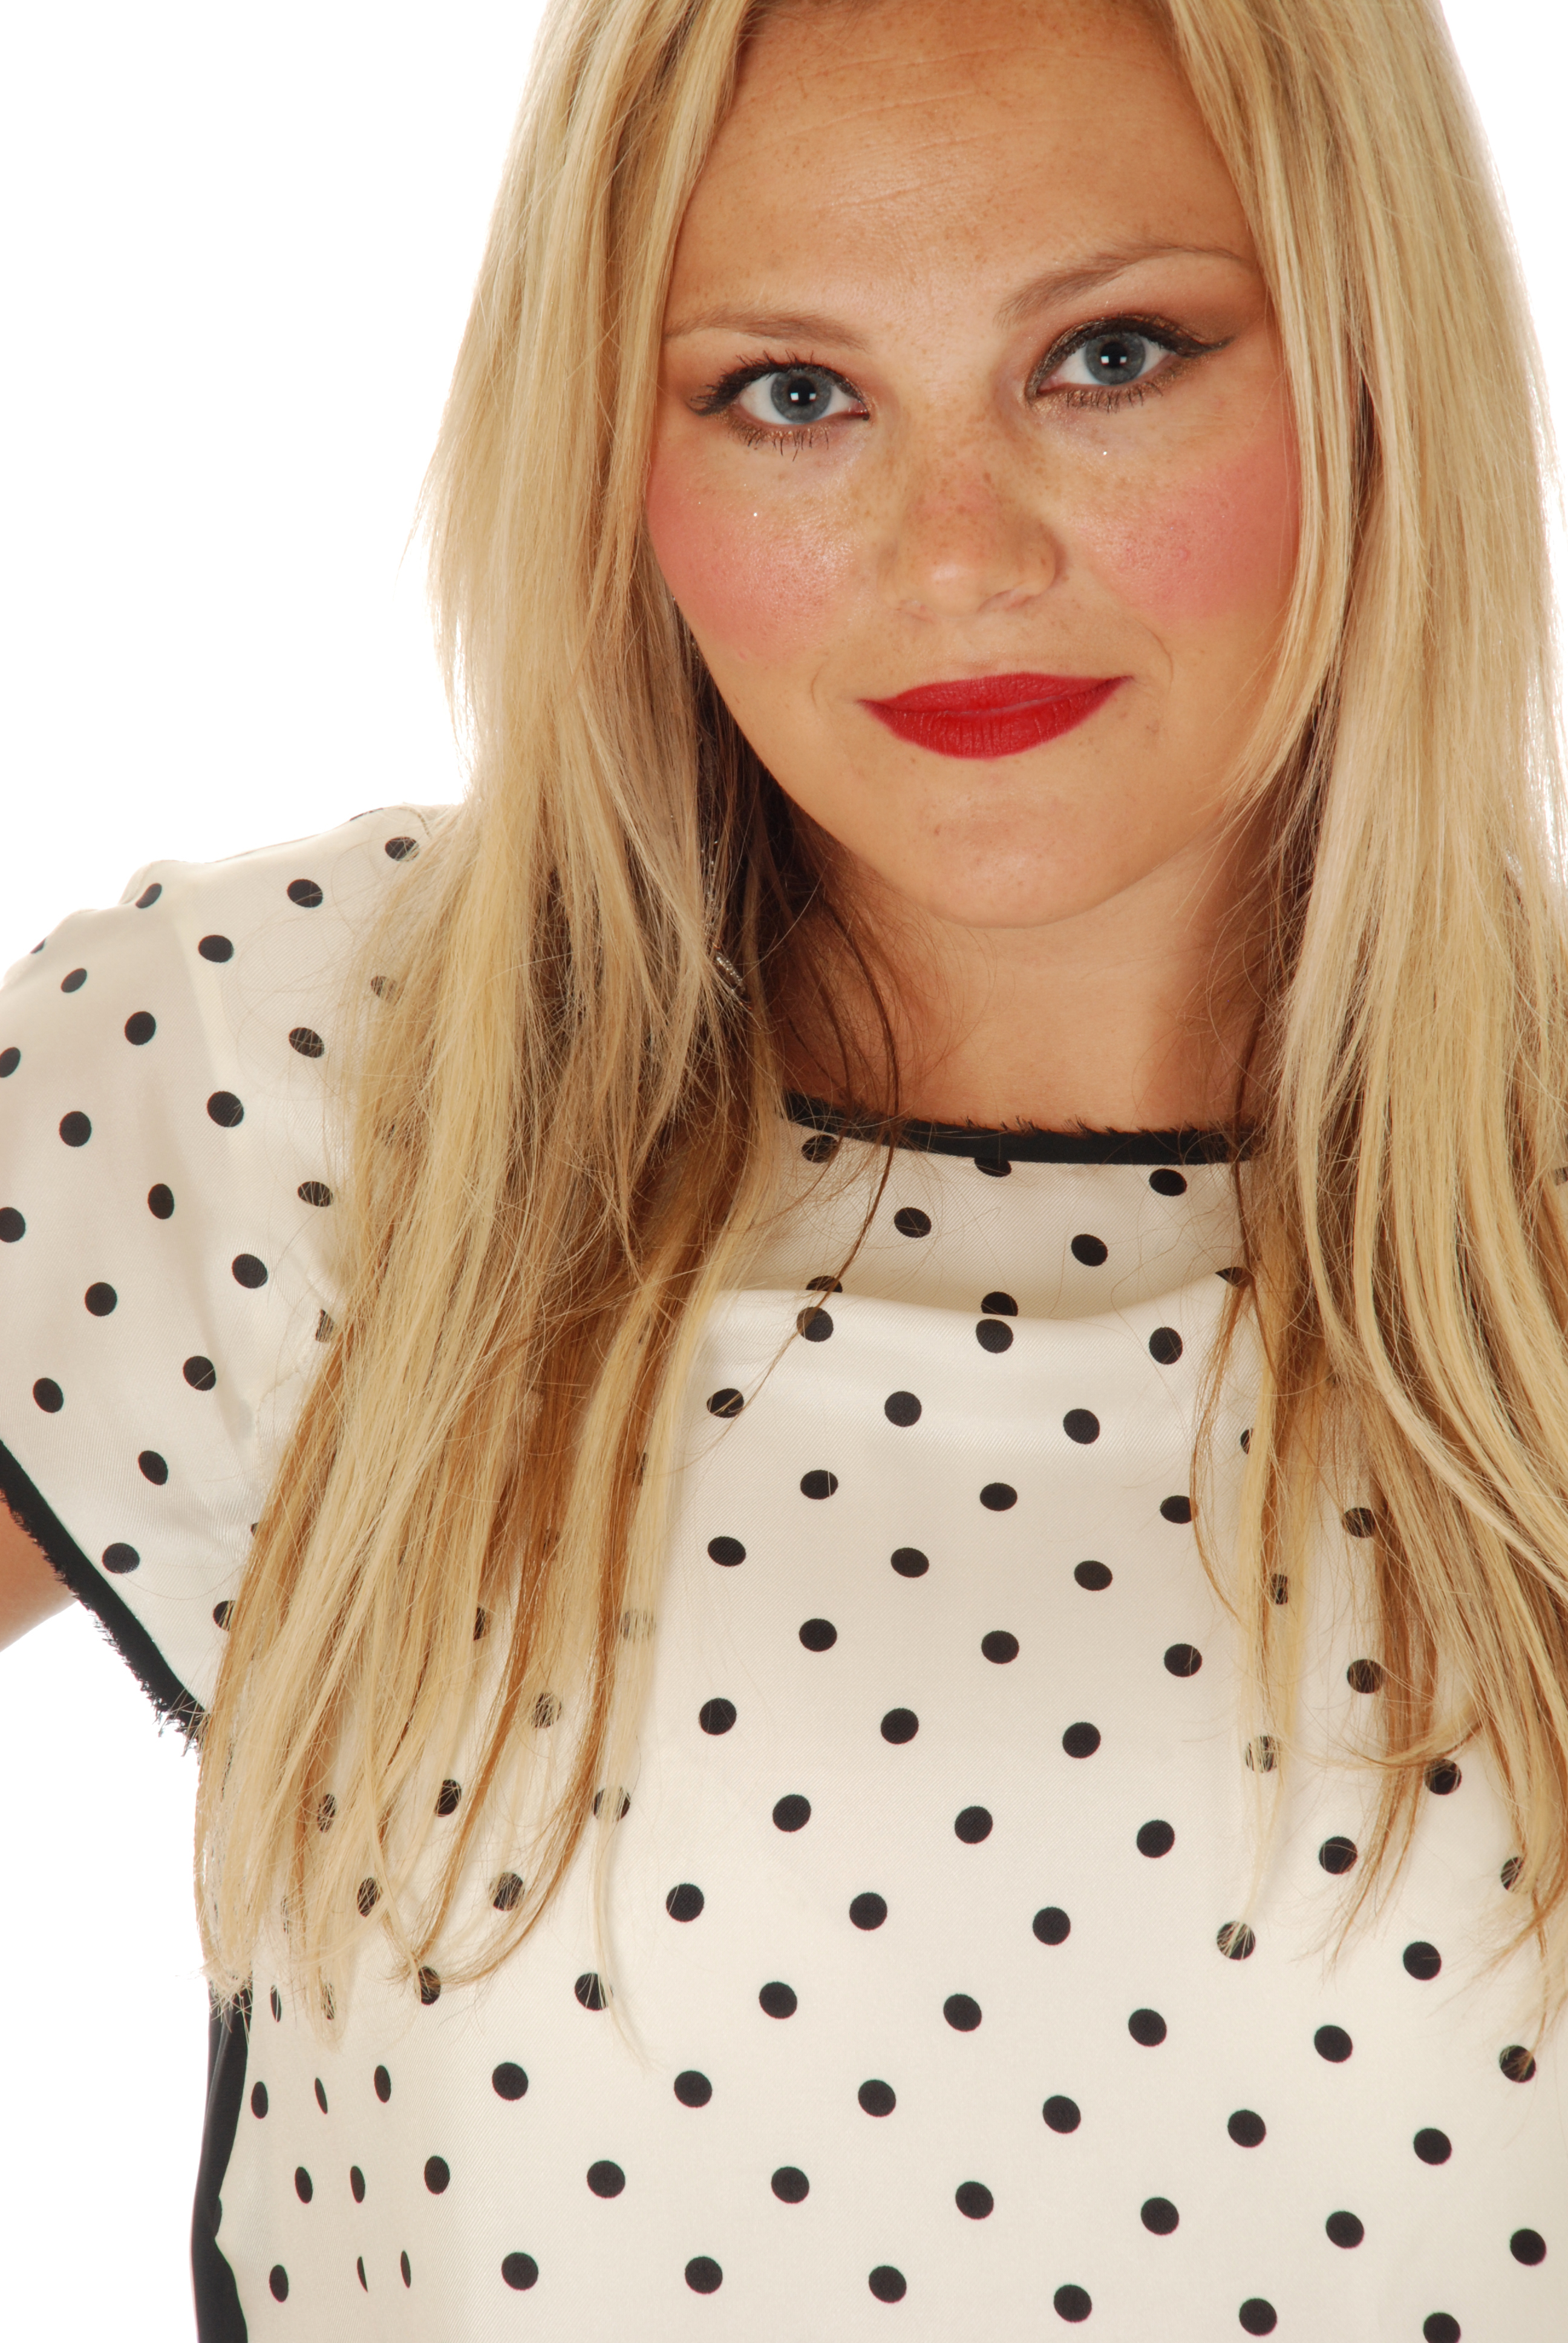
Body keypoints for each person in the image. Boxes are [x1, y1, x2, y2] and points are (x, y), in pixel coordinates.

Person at [1, 0, 1564, 2333]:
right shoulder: (296, 1088)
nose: (959, 556)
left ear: (1371, 368)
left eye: (1111, 358)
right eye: (793, 394)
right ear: (616, 451)